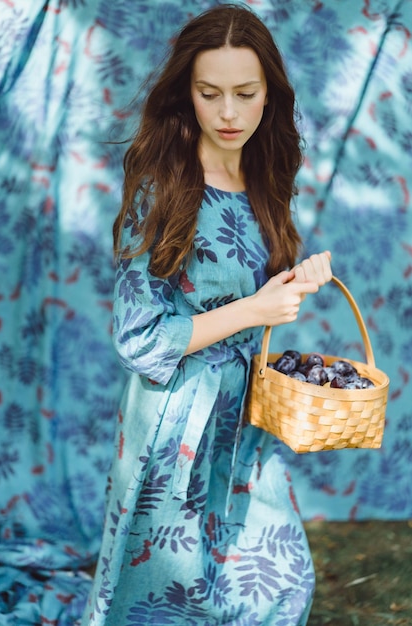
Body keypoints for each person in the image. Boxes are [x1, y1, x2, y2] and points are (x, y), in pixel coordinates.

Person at [81, 4, 332, 625]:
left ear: (269, 95)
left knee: (276, 580)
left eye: (245, 94)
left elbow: (253, 293)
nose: (228, 113)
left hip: (246, 412)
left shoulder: (267, 173)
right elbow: (138, 340)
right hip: (175, 423)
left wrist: (292, 285)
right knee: (168, 593)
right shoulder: (161, 186)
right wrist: (254, 306)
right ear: (185, 93)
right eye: (209, 92)